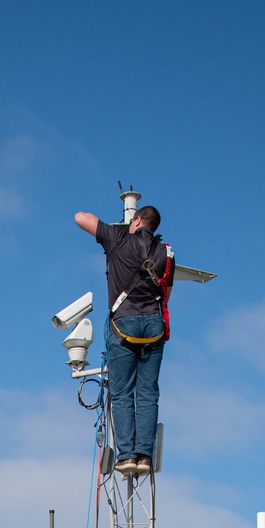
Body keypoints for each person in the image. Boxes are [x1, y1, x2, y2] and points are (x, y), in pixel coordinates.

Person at [74, 203, 174, 477]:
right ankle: (144, 456)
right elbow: (166, 294)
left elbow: (80, 217)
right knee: (147, 392)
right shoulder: (165, 252)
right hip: (153, 324)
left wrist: (114, 230)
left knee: (121, 392)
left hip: (124, 323)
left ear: (138, 219)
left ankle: (126, 455)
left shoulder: (119, 240)